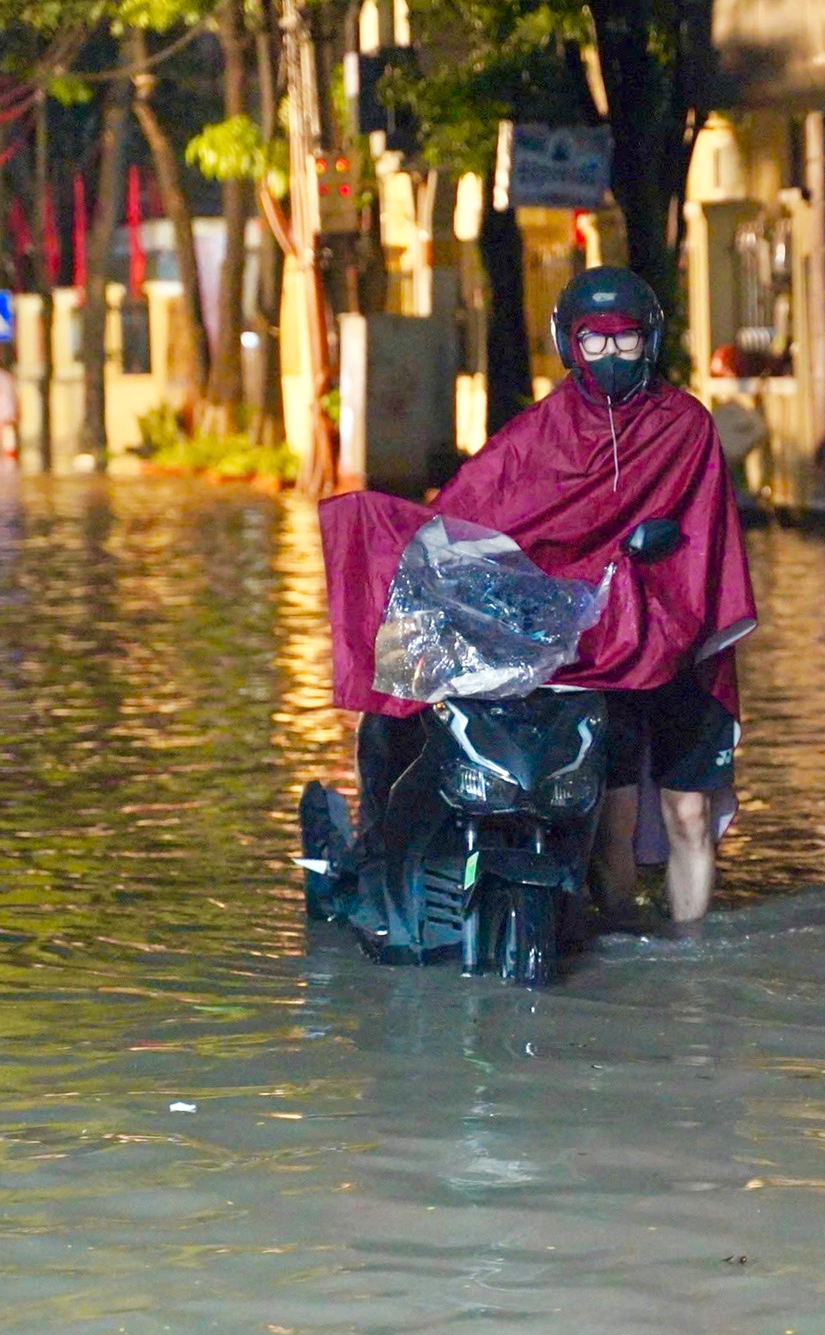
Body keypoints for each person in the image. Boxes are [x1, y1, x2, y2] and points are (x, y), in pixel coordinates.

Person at [323, 267, 756, 928]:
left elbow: (707, 542)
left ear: (651, 342)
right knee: (611, 825)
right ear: (569, 345)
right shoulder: (541, 435)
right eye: (594, 343)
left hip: (678, 645)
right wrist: (390, 541)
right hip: (595, 659)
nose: (611, 357)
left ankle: (691, 967)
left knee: (688, 815)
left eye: (626, 342)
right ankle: (623, 961)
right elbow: (473, 515)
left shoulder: (685, 426)